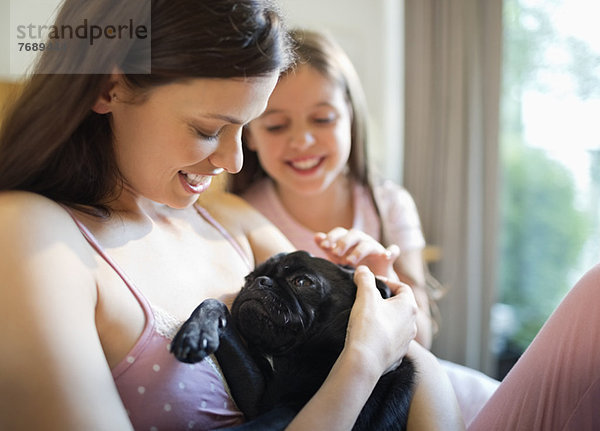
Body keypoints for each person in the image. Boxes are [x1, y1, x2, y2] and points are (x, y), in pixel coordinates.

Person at [0, 1, 463, 430]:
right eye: (210, 129)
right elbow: (378, 355)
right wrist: (360, 365)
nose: (235, 161)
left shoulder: (230, 218)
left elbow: (415, 363)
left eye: (246, 127)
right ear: (109, 87)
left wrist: (374, 301)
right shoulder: (31, 234)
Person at [229, 28, 500, 425]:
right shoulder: (245, 217)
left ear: (351, 118)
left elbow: (419, 338)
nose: (302, 140)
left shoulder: (388, 204)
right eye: (275, 125)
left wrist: (384, 277)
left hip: (426, 395)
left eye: (322, 118)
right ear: (248, 132)